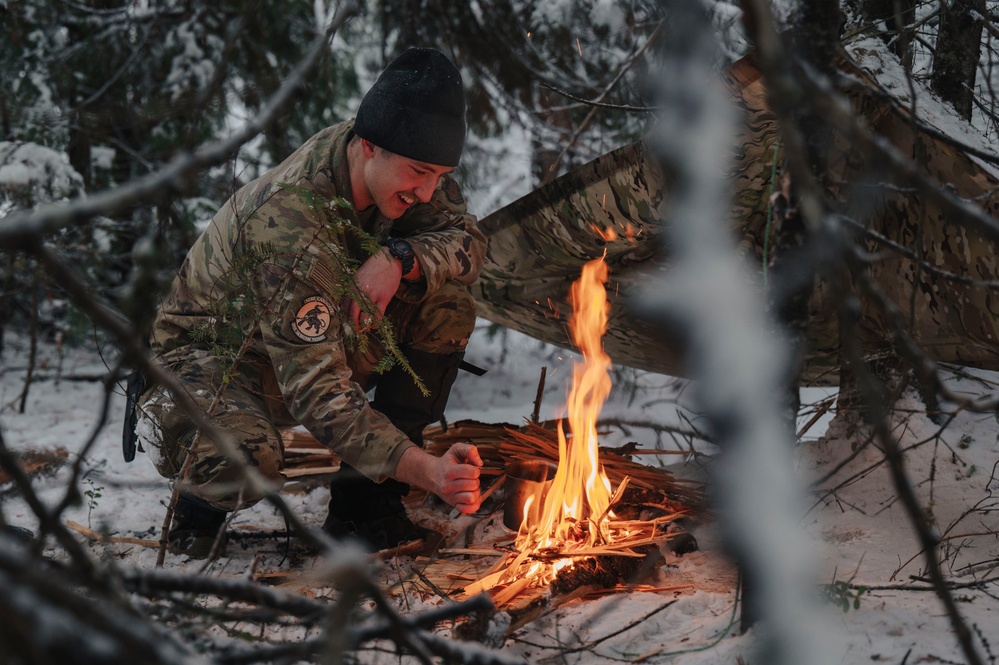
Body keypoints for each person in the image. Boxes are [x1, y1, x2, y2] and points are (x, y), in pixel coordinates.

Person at [133, 47, 485, 558]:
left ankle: (365, 502)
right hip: (214, 362)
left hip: (303, 338)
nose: (429, 193)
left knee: (445, 301)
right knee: (245, 461)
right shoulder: (291, 219)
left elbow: (470, 241)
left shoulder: (402, 157)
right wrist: (427, 471)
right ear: (369, 147)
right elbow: (318, 395)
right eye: (418, 173)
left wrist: (399, 258)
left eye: (439, 176)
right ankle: (198, 503)